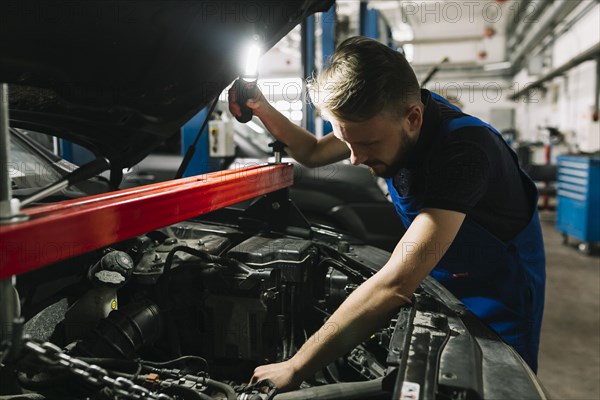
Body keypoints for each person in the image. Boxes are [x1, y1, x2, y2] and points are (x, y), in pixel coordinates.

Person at [229, 36, 546, 391]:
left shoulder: (466, 151)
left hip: (496, 300)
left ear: (413, 118)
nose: (353, 158)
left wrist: (296, 365)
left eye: (366, 145)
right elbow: (314, 152)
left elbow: (395, 284)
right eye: (347, 141)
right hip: (440, 282)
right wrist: (259, 105)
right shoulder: (381, 118)